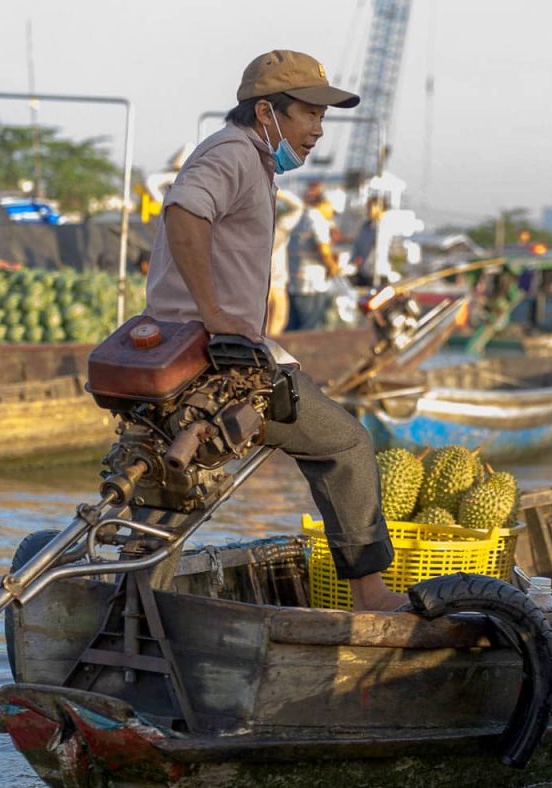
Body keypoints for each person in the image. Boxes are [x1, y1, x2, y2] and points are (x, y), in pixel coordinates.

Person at [143, 49, 405, 611]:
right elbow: (184, 212)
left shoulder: (251, 163)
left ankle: (132, 607)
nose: (317, 131)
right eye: (308, 114)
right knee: (345, 443)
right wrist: (213, 312)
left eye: (322, 117)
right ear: (266, 111)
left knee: (167, 497)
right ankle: (370, 595)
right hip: (214, 359)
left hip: (196, 352)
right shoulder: (234, 154)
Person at [287, 181, 341, 330]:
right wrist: (333, 268)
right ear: (325, 203)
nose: (332, 215)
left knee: (294, 329)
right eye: (332, 210)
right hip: (311, 285)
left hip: (295, 283)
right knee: (310, 330)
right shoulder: (318, 219)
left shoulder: (302, 217)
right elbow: (323, 250)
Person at [266, 187, 304, 335]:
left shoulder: (248, 228)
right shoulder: (280, 228)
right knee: (276, 328)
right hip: (276, 285)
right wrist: (276, 191)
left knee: (262, 330)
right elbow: (297, 206)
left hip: (257, 286)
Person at [349, 196, 383, 287]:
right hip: (362, 271)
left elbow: (379, 249)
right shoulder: (364, 226)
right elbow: (357, 243)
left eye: (371, 207)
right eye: (368, 207)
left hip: (375, 273)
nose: (368, 210)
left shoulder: (381, 228)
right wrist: (355, 258)